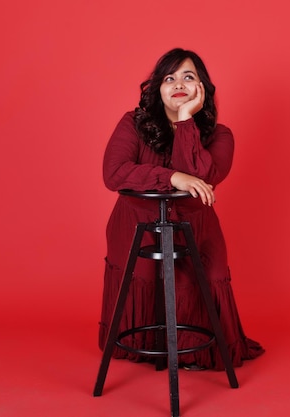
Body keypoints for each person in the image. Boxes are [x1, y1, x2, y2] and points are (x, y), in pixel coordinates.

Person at [99, 48, 264, 370]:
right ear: (157, 88)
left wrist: (186, 118)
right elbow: (114, 173)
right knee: (143, 276)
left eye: (188, 77)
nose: (178, 84)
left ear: (201, 87)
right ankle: (147, 345)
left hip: (195, 227)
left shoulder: (219, 135)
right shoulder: (132, 124)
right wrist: (172, 176)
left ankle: (193, 350)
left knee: (202, 278)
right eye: (169, 78)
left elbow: (203, 175)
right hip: (136, 224)